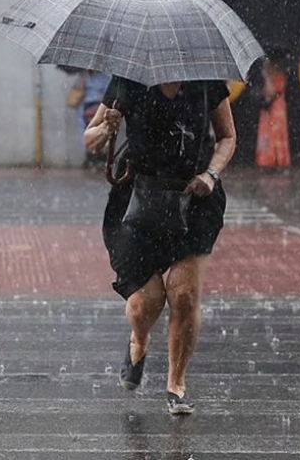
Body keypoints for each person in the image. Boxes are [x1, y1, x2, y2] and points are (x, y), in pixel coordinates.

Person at [83, 77, 235, 415]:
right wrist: (107, 129)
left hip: (195, 198)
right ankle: (139, 340)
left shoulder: (207, 82)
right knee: (146, 305)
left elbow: (227, 136)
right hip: (138, 200)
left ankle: (176, 385)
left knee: (183, 294)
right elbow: (90, 140)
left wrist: (211, 174)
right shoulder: (128, 83)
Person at [255, 59, 291, 169]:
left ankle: (278, 159)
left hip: (276, 110)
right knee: (266, 134)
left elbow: (272, 92)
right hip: (268, 111)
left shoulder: (280, 78)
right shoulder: (269, 79)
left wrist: (267, 78)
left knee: (276, 134)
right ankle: (266, 159)